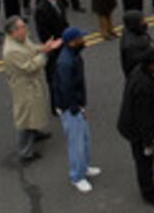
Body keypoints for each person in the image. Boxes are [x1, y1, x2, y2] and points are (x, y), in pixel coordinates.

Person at [117, 47, 154, 208]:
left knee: (147, 161)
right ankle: (148, 192)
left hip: (135, 127)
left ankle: (149, 181)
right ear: (151, 65)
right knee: (144, 161)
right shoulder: (143, 87)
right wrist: (149, 142)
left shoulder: (141, 72)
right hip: (138, 133)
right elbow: (144, 119)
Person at [2, 16, 61, 162]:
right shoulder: (11, 51)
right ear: (13, 31)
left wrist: (44, 47)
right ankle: (25, 152)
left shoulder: (21, 39)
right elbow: (29, 67)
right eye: (22, 27)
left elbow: (32, 48)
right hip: (24, 86)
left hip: (32, 83)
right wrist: (45, 54)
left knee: (33, 111)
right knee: (25, 116)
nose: (25, 30)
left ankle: (34, 133)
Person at [54, 27, 101, 193]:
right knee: (77, 144)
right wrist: (77, 109)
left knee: (85, 139)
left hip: (76, 105)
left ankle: (84, 167)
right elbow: (66, 89)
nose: (84, 40)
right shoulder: (66, 62)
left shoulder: (72, 55)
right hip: (71, 108)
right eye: (81, 38)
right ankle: (77, 176)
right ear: (73, 42)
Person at [35, 0, 69, 113]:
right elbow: (43, 33)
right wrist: (55, 43)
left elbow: (64, 22)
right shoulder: (41, 9)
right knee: (54, 77)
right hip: (53, 48)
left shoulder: (59, 3)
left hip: (63, 43)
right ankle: (56, 105)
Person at [120, 10, 154, 77]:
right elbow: (140, 60)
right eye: (142, 21)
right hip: (139, 76)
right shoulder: (131, 45)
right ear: (135, 23)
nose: (145, 22)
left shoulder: (134, 29)